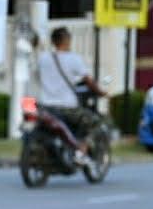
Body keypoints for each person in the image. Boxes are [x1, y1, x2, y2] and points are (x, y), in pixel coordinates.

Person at [38, 27, 107, 161]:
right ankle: (81, 150)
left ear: (53, 41)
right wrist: (101, 92)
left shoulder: (43, 58)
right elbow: (89, 81)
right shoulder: (73, 59)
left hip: (46, 107)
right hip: (67, 108)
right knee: (96, 123)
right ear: (66, 40)